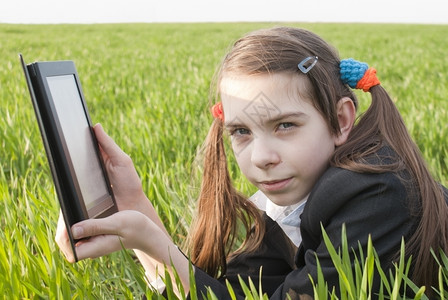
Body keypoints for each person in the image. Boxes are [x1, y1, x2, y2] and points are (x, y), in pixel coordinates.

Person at [55, 26, 448, 299]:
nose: (261, 158)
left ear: (341, 121)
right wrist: (135, 207)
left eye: (285, 125)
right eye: (241, 131)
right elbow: (236, 293)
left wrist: (152, 243)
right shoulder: (283, 201)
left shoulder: (376, 194)